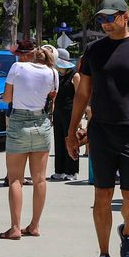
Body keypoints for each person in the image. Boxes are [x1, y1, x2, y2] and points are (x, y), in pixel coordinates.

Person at [64, 0, 129, 257]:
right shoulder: (94, 50)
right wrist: (71, 132)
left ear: (125, 16)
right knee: (102, 194)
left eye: (110, 17)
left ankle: (127, 231)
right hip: (101, 131)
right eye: (101, 19)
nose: (105, 23)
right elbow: (83, 93)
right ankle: (104, 255)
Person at [0, 39, 59, 238]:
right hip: (41, 122)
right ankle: (34, 225)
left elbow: (7, 99)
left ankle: (15, 227)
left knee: (15, 179)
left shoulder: (17, 68)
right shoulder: (53, 73)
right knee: (40, 179)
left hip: (19, 121)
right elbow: (52, 98)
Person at [50, 48, 80, 182]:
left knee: (71, 140)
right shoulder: (56, 75)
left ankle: (72, 170)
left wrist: (79, 117)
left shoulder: (75, 76)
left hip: (71, 112)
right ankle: (60, 170)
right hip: (58, 112)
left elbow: (80, 96)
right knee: (58, 140)